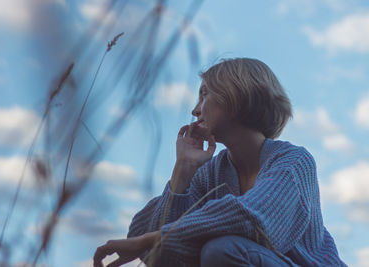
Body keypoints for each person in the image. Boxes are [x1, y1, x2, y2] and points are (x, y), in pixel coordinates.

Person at [93, 58, 346, 267]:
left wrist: (152, 239)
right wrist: (183, 171)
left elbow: (253, 219)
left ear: (236, 96)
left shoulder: (292, 162)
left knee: (222, 250)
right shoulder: (211, 174)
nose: (195, 109)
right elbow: (157, 252)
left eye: (204, 95)